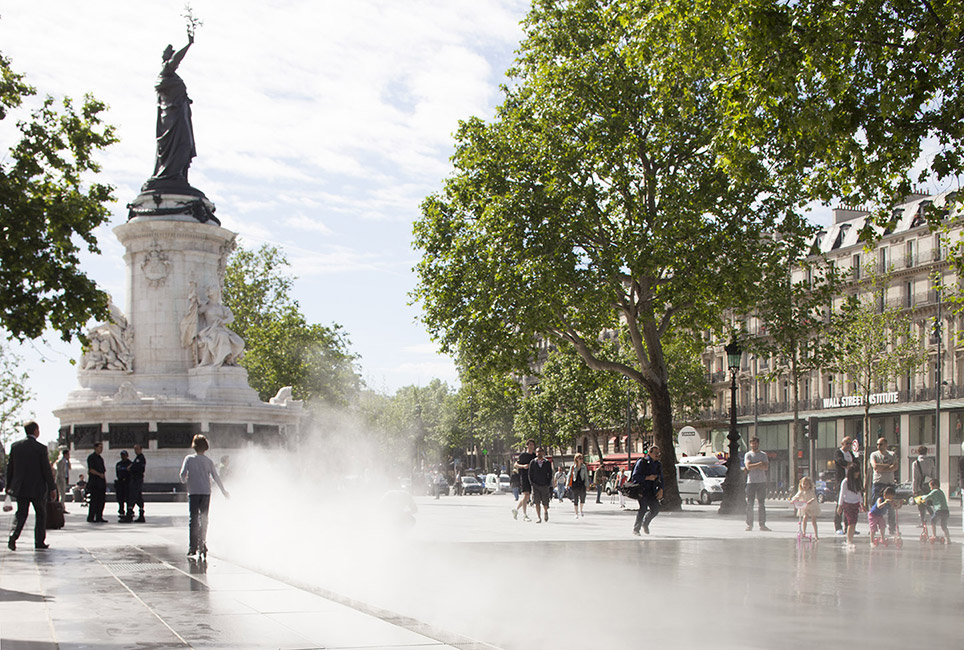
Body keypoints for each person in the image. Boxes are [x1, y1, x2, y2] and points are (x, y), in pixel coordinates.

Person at [143, 31, 197, 193]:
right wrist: (188, 44)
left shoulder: (172, 76)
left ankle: (177, 175)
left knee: (185, 145)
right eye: (170, 54)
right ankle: (170, 175)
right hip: (171, 120)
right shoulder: (165, 72)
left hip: (180, 117)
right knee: (180, 145)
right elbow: (175, 61)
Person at [5, 421, 57, 551]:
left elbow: (10, 468)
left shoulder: (15, 446)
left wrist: (9, 485)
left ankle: (13, 535)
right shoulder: (40, 448)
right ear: (35, 431)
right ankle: (39, 541)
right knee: (40, 514)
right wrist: (52, 487)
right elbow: (46, 470)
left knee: (21, 514)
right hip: (37, 488)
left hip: (21, 487)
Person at [179, 434, 229, 558]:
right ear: (206, 447)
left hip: (193, 492)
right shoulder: (208, 461)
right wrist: (224, 491)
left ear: (194, 446)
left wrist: (186, 481)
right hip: (206, 493)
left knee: (193, 519)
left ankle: (192, 546)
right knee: (204, 518)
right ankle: (203, 544)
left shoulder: (189, 459)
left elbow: (182, 475)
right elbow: (216, 477)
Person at [631, 446, 664, 536]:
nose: (657, 455)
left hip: (652, 490)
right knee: (643, 508)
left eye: (658, 453)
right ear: (649, 453)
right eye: (655, 453)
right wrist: (647, 478)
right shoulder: (642, 462)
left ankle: (645, 523)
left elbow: (661, 478)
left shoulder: (658, 464)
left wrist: (661, 489)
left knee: (655, 509)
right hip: (642, 489)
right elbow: (635, 476)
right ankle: (636, 529)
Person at [870, 437, 898, 534]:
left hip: (889, 483)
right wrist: (888, 466)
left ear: (886, 445)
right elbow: (875, 467)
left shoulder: (892, 454)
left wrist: (882, 467)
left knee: (891, 506)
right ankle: (873, 527)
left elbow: (895, 466)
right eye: (877, 444)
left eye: (881, 444)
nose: (878, 446)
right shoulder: (874, 454)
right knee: (876, 505)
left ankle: (892, 528)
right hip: (878, 482)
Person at [744, 437, 771, 531]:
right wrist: (759, 464)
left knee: (761, 504)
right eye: (752, 443)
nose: (754, 445)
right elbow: (748, 467)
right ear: (750, 444)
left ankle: (762, 524)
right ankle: (749, 524)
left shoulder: (763, 454)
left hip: (761, 481)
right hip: (751, 482)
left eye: (755, 443)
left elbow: (766, 467)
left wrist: (754, 465)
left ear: (758, 444)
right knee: (750, 503)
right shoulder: (748, 455)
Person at [833, 437, 856, 535]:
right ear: (842, 443)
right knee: (840, 503)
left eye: (850, 444)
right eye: (847, 443)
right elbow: (840, 462)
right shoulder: (838, 452)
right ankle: (838, 526)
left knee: (849, 504)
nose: (848, 445)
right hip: (841, 481)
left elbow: (856, 463)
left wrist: (849, 464)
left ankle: (849, 526)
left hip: (850, 481)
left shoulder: (850, 454)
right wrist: (848, 464)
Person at [837, 463, 863, 549]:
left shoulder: (857, 482)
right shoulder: (845, 481)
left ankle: (850, 539)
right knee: (850, 522)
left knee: (854, 523)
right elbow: (842, 494)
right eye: (855, 473)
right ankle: (849, 541)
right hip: (847, 503)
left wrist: (861, 503)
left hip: (855, 504)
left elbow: (859, 493)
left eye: (858, 473)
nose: (857, 474)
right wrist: (839, 505)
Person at [916, 479, 951, 543]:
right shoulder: (941, 491)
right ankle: (948, 539)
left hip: (939, 510)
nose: (930, 488)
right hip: (946, 511)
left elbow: (927, 497)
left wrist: (921, 498)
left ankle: (934, 535)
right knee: (944, 526)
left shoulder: (935, 491)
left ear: (935, 486)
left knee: (933, 521)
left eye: (931, 487)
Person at [911, 445, 936, 531]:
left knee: (921, 505)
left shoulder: (915, 463)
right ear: (926, 452)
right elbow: (933, 474)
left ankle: (923, 521)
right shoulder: (931, 461)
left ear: (918, 452)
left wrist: (914, 490)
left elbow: (915, 478)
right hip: (929, 486)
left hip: (920, 487)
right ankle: (933, 517)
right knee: (928, 503)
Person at [511, 439, 536, 522]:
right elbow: (515, 464)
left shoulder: (534, 456)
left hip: (531, 478)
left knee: (527, 496)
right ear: (527, 446)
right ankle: (525, 515)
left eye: (532, 445)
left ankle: (516, 509)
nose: (531, 446)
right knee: (526, 495)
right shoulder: (523, 455)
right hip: (524, 477)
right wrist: (523, 466)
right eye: (530, 444)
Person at [528, 447, 554, 523]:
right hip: (535, 485)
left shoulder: (547, 463)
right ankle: (539, 517)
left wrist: (548, 483)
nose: (539, 453)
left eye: (540, 452)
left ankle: (545, 512)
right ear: (535, 453)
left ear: (543, 453)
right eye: (537, 452)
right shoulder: (533, 462)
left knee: (545, 501)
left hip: (544, 485)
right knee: (536, 501)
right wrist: (531, 483)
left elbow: (550, 473)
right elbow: (530, 473)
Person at [791, 476, 821, 540]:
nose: (805, 485)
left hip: (812, 506)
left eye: (806, 484)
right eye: (803, 484)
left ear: (809, 485)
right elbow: (796, 497)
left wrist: (811, 500)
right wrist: (793, 500)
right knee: (805, 517)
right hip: (805, 506)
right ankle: (804, 532)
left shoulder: (811, 491)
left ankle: (816, 534)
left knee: (813, 520)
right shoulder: (801, 491)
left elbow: (814, 497)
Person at [86, 442, 108, 523]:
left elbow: (103, 471)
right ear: (95, 448)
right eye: (100, 447)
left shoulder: (100, 458)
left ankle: (99, 516)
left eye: (102, 447)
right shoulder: (91, 458)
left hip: (101, 483)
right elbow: (91, 470)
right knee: (94, 501)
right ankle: (91, 517)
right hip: (94, 483)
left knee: (101, 501)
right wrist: (99, 474)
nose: (101, 449)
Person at [567, 453, 589, 518]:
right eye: (580, 458)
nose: (581, 460)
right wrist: (567, 484)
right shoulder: (573, 467)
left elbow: (586, 476)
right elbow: (569, 475)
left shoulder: (584, 466)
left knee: (582, 498)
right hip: (575, 484)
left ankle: (581, 510)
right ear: (576, 459)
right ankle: (576, 513)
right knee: (575, 498)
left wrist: (587, 485)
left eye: (582, 458)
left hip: (582, 484)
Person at [129, 444, 146, 522]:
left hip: (137, 480)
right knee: (138, 496)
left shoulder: (141, 458)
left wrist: (131, 468)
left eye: (137, 449)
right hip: (135, 479)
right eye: (135, 449)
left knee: (134, 495)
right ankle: (140, 513)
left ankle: (130, 512)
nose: (136, 451)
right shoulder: (137, 458)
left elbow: (136, 468)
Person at [114, 450, 133, 522]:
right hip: (120, 484)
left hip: (127, 484)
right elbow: (117, 473)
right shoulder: (119, 464)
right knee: (120, 499)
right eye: (122, 455)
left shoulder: (130, 464)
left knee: (128, 499)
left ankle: (129, 512)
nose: (123, 456)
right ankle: (121, 512)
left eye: (124, 455)